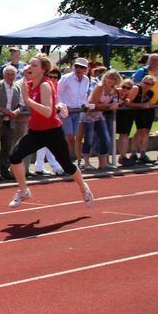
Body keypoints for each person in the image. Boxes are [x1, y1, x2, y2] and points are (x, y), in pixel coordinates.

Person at [7, 55, 94, 208]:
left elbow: (48, 112)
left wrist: (28, 100)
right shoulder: (28, 83)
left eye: (34, 65)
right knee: (15, 157)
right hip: (35, 131)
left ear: (43, 69)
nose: (29, 67)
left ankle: (83, 187)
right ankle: (23, 190)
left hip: (52, 131)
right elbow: (17, 82)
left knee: (67, 166)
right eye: (29, 64)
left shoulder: (45, 85)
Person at [0, 65, 23, 180]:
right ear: (3, 74)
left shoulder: (18, 87)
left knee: (7, 148)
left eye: (12, 74)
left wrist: (16, 112)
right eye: (8, 74)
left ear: (16, 75)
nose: (10, 76)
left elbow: (22, 105)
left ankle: (5, 170)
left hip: (10, 123)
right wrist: (4, 110)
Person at [83, 69, 120, 170]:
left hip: (99, 115)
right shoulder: (99, 87)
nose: (111, 81)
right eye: (109, 78)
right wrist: (109, 106)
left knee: (106, 139)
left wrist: (115, 104)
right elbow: (94, 104)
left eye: (113, 80)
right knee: (89, 139)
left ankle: (103, 163)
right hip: (89, 115)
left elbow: (116, 101)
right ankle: (86, 163)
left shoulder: (114, 90)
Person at [57, 57, 93, 161]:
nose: (78, 69)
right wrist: (62, 105)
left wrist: (85, 103)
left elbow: (84, 95)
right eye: (77, 66)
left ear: (86, 69)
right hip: (66, 111)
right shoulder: (66, 78)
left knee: (77, 137)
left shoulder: (86, 80)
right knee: (70, 137)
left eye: (81, 67)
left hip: (79, 111)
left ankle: (75, 159)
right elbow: (57, 92)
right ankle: (68, 159)